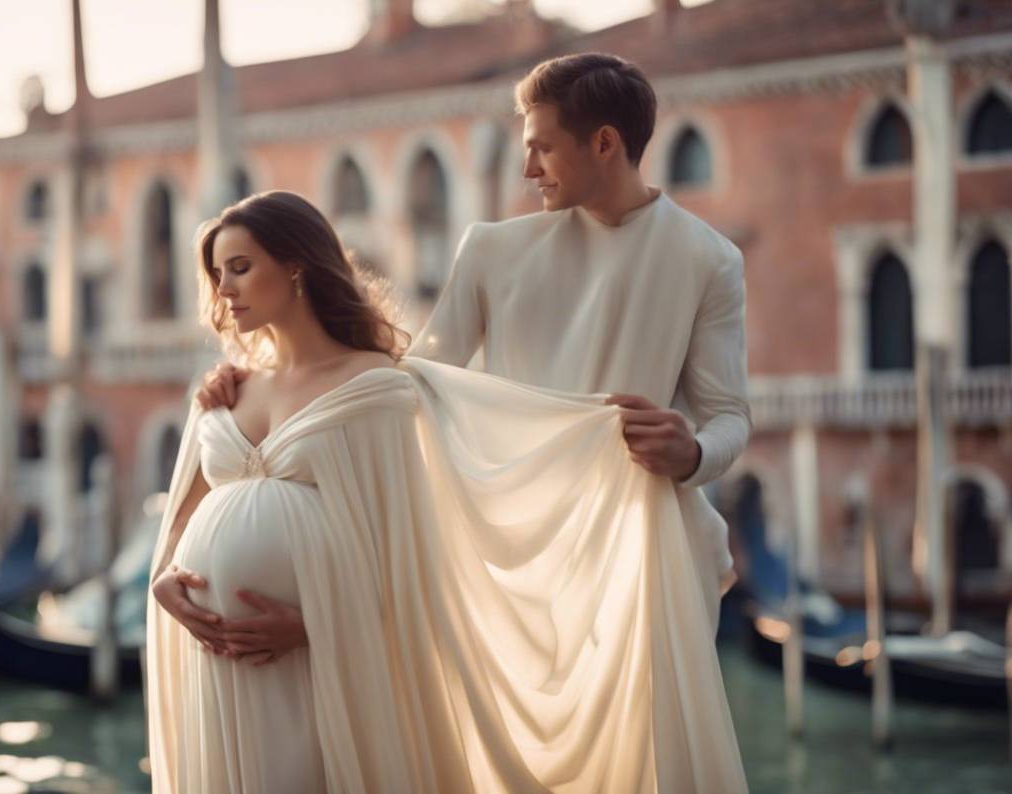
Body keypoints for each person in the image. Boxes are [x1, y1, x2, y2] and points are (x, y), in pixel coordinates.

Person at [147, 190, 747, 792]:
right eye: (217, 273)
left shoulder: (375, 385)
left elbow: (403, 553)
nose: (224, 289)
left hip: (312, 661)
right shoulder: (227, 390)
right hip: (213, 657)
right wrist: (166, 583)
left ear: (297, 262)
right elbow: (184, 513)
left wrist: (314, 627)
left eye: (241, 267)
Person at [190, 52, 748, 655]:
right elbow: (400, 388)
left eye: (543, 147)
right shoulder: (491, 250)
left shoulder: (709, 260)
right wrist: (259, 380)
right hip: (504, 558)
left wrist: (691, 454)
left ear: (606, 143)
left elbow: (730, 419)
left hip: (639, 556)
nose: (528, 167)